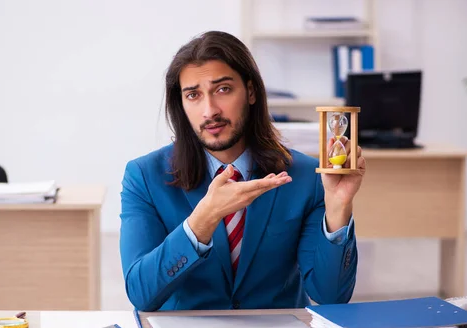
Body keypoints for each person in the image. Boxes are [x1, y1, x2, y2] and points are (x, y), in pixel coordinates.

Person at [119, 31, 365, 312]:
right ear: (182, 104)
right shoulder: (144, 176)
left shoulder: (307, 177)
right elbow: (141, 294)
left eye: (223, 90)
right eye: (193, 95)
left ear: (250, 92)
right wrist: (203, 219)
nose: (209, 111)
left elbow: (330, 295)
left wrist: (338, 205)